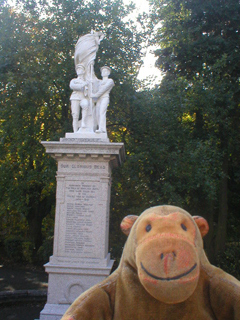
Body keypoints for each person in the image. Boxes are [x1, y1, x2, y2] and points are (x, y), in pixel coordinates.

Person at [91, 66, 114, 133]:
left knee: (102, 112)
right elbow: (93, 77)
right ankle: (98, 127)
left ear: (108, 73)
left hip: (104, 98)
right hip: (99, 99)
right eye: (103, 71)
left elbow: (104, 90)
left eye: (106, 71)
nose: (104, 72)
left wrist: (95, 95)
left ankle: (102, 129)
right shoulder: (99, 82)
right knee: (97, 113)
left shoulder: (110, 81)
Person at [69, 64, 89, 132]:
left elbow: (87, 92)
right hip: (75, 97)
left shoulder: (86, 81)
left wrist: (88, 86)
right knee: (75, 115)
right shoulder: (74, 80)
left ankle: (83, 122)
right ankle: (75, 131)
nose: (79, 70)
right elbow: (72, 86)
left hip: (82, 97)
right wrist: (82, 85)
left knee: (85, 104)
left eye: (80, 69)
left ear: (83, 71)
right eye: (77, 69)